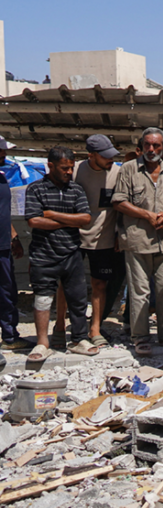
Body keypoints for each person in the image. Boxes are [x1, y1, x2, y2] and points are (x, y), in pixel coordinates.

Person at [117, 127, 163, 355]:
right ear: (141, 146)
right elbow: (119, 201)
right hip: (138, 239)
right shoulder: (128, 169)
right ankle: (141, 337)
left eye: (156, 145)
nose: (151, 149)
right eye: (147, 145)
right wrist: (147, 215)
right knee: (140, 291)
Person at [25, 146, 93, 362]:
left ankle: (79, 339)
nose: (68, 172)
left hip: (71, 253)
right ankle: (42, 342)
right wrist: (68, 220)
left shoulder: (76, 190)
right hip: (44, 255)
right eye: (64, 168)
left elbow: (85, 219)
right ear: (51, 166)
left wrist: (53, 215)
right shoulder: (36, 189)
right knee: (43, 299)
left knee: (78, 298)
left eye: (71, 168)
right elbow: (34, 221)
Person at [72, 135, 124, 349]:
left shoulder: (118, 173)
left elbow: (122, 204)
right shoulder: (74, 171)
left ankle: (95, 328)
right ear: (91, 156)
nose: (110, 160)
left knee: (99, 284)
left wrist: (119, 233)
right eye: (105, 157)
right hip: (74, 237)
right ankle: (59, 329)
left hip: (103, 238)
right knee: (67, 285)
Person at [0, 136, 28, 350]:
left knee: (8, 291)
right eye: (1, 151)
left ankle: (10, 336)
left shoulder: (2, 177)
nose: (4, 155)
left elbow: (4, 213)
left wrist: (14, 237)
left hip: (3, 246)